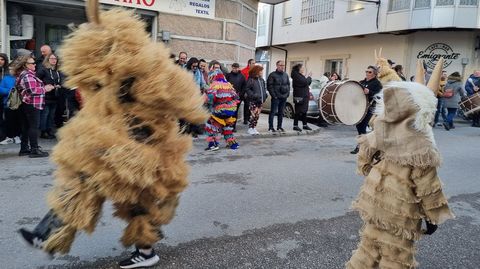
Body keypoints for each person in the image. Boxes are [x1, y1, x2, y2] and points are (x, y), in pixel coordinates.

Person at [18, 3, 210, 269]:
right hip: (118, 142)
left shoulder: (147, 70)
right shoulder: (110, 74)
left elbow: (183, 96)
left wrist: (191, 117)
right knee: (90, 183)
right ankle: (49, 233)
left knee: (115, 191)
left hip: (141, 146)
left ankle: (140, 249)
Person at [346, 80, 453, 269]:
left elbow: (364, 153)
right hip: (400, 208)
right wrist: (432, 216)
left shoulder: (382, 128)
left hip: (374, 199)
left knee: (370, 243)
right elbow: (428, 186)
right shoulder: (421, 143)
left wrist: (370, 171)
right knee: (396, 252)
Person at [10, 55, 52, 157]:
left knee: (26, 127)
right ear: (25, 65)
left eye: (34, 63)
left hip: (25, 104)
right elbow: (32, 91)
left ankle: (24, 149)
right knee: (34, 127)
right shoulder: (28, 76)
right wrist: (45, 89)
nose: (35, 65)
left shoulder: (23, 74)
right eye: (32, 63)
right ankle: (34, 149)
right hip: (32, 104)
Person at [204, 69, 240, 150]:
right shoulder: (228, 85)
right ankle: (233, 144)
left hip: (219, 110)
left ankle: (213, 144)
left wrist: (205, 98)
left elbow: (210, 98)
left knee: (210, 124)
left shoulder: (214, 85)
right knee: (227, 126)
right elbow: (236, 97)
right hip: (230, 110)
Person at [351, 66, 382, 154]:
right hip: (359, 107)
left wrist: (370, 92)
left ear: (374, 74)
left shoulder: (377, 83)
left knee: (363, 126)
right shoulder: (362, 82)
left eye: (369, 72)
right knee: (359, 126)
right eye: (366, 71)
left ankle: (361, 146)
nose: (367, 73)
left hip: (369, 107)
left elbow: (379, 95)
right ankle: (363, 144)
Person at [36, 53, 63, 139]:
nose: (54, 60)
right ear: (47, 60)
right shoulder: (43, 70)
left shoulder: (58, 71)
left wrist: (59, 85)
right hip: (46, 96)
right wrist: (44, 87)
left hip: (55, 96)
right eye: (51, 58)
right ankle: (43, 132)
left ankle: (49, 130)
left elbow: (61, 80)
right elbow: (36, 80)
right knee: (45, 114)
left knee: (51, 115)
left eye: (55, 58)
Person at [0, 53, 21, 145]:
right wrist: (11, 91)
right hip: (7, 102)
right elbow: (1, 89)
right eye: (11, 69)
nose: (12, 70)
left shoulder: (19, 78)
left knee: (17, 120)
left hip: (18, 102)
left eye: (14, 69)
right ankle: (9, 136)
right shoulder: (6, 78)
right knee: (8, 120)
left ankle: (16, 136)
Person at [267, 60, 289, 133]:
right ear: (277, 66)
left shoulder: (286, 75)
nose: (282, 67)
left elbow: (288, 85)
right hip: (276, 97)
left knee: (281, 112)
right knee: (273, 112)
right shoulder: (272, 75)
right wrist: (274, 96)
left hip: (284, 97)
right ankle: (271, 127)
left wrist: (287, 94)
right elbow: (269, 86)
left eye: (283, 65)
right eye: (280, 65)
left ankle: (279, 127)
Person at [245, 65, 267, 135]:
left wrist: (265, 95)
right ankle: (250, 128)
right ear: (256, 71)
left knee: (257, 116)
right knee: (253, 115)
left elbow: (263, 89)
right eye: (260, 71)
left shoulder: (261, 80)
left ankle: (253, 127)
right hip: (253, 101)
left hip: (260, 101)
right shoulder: (251, 79)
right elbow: (247, 89)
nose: (262, 72)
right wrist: (254, 95)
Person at [291, 63, 312, 132]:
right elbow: (305, 82)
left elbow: (306, 83)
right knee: (298, 111)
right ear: (299, 69)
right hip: (300, 96)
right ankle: (295, 125)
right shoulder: (296, 76)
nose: (303, 69)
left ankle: (304, 125)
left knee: (304, 111)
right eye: (302, 68)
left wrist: (308, 78)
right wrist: (309, 77)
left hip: (303, 96)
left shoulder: (299, 75)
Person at [225, 62, 247, 131]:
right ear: (232, 68)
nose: (235, 69)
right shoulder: (228, 75)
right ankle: (227, 125)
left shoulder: (242, 76)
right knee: (228, 112)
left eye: (237, 68)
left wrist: (240, 94)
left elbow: (244, 86)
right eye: (234, 68)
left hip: (238, 97)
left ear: (238, 68)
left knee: (235, 112)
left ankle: (233, 126)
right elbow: (225, 85)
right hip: (229, 97)